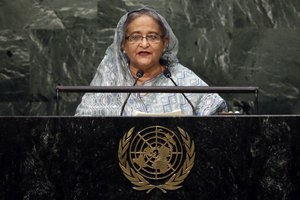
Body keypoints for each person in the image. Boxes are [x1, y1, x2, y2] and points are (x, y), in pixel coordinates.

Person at [75, 7, 227, 116]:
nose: (144, 44)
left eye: (153, 37)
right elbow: (82, 125)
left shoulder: (181, 79)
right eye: (135, 37)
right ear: (123, 44)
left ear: (165, 42)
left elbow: (217, 118)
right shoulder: (109, 80)